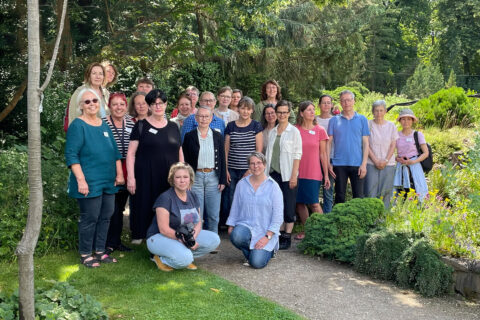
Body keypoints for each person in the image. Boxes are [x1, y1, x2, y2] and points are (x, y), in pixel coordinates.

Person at [65, 88, 123, 268]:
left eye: (95, 101)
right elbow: (72, 155)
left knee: (106, 216)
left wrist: (119, 174)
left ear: (100, 104)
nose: (92, 104)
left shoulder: (103, 124)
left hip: (108, 180)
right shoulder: (77, 125)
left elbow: (114, 152)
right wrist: (81, 180)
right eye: (87, 102)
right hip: (89, 181)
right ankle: (85, 253)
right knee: (90, 217)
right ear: (81, 106)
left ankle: (100, 251)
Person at [126, 89, 184, 244]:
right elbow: (131, 154)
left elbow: (179, 151)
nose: (158, 106)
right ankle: (140, 235)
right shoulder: (140, 126)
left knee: (166, 206)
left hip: (169, 176)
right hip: (145, 175)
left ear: (166, 104)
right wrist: (130, 177)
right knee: (143, 203)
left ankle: (165, 233)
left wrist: (183, 174)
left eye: (161, 103)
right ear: (149, 106)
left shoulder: (173, 127)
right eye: (154, 103)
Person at [146, 162, 220, 271]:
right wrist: (186, 241)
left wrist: (192, 239)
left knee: (214, 239)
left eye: (185, 177)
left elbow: (198, 222)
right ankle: (160, 258)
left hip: (184, 235)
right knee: (184, 259)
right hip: (159, 237)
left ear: (190, 179)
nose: (182, 180)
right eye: (178, 177)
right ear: (172, 179)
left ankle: (184, 255)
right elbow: (164, 229)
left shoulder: (193, 196)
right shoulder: (165, 198)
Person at [227, 152, 283, 269]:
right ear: (249, 166)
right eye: (252, 163)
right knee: (236, 236)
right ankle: (253, 252)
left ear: (264, 165)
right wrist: (231, 225)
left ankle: (268, 251)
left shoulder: (273, 187)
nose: (255, 166)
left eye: (259, 163)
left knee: (256, 263)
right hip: (246, 226)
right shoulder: (242, 184)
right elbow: (235, 206)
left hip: (265, 231)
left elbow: (278, 216)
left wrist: (267, 236)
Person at [183, 106, 227, 233]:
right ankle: (198, 240)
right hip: (196, 178)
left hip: (213, 177)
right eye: (200, 116)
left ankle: (213, 240)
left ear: (211, 118)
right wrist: (188, 180)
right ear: (196, 118)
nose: (203, 119)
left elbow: (222, 158)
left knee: (213, 214)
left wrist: (222, 180)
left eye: (206, 116)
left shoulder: (217, 136)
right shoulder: (189, 136)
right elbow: (185, 161)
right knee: (197, 214)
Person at [265, 100, 302, 250]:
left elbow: (297, 154)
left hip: (287, 175)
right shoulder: (273, 131)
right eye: (278, 112)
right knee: (275, 206)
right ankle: (278, 233)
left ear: (289, 113)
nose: (281, 115)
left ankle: (287, 235)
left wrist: (294, 176)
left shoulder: (294, 132)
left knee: (288, 206)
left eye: (284, 112)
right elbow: (268, 154)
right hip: (272, 175)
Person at [102, 93, 135, 253]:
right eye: (115, 104)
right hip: (109, 169)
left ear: (126, 106)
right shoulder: (102, 123)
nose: (118, 107)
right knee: (110, 208)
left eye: (121, 104)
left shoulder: (131, 122)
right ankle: (106, 243)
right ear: (109, 106)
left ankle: (116, 241)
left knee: (120, 208)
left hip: (127, 169)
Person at [294, 101, 330, 240]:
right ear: (302, 113)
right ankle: (307, 230)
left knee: (314, 203)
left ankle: (323, 230)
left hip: (313, 172)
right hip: (297, 172)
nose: (312, 112)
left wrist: (326, 175)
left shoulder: (320, 130)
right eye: (309, 110)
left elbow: (323, 154)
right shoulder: (295, 129)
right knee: (300, 202)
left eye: (313, 109)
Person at [223, 96, 263, 219]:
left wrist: (251, 169)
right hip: (232, 169)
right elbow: (226, 149)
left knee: (248, 196)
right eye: (242, 108)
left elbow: (259, 150)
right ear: (238, 110)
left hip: (249, 170)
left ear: (252, 111)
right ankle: (232, 223)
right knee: (231, 197)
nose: (245, 111)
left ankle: (246, 222)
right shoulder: (230, 126)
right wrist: (226, 169)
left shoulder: (256, 126)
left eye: (248, 109)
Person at [327, 90, 370, 204]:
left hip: (357, 164)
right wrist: (328, 162)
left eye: (349, 100)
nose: (346, 103)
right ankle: (339, 221)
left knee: (358, 197)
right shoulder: (334, 120)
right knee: (339, 197)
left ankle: (358, 222)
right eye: (343, 100)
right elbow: (329, 143)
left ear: (354, 101)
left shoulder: (362, 119)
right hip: (339, 164)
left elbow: (366, 143)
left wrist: (364, 164)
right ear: (340, 103)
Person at [364, 100, 398, 208]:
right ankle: (371, 218)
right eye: (376, 111)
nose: (379, 113)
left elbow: (393, 145)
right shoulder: (368, 124)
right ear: (373, 112)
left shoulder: (391, 126)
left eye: (381, 110)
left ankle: (383, 219)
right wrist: (375, 160)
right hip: (371, 163)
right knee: (370, 192)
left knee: (386, 192)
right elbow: (366, 144)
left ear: (385, 112)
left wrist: (385, 160)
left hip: (388, 164)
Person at [393, 108, 429, 201]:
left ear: (412, 121)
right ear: (400, 121)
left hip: (414, 166)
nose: (406, 122)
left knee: (416, 190)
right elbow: (392, 152)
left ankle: (417, 210)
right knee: (401, 192)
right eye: (403, 119)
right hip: (400, 167)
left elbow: (426, 153)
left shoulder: (418, 135)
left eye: (409, 119)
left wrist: (413, 161)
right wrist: (398, 159)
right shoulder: (396, 135)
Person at [315, 95, 336, 213]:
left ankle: (328, 215)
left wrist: (329, 161)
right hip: (315, 158)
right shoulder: (314, 119)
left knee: (328, 189)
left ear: (332, 105)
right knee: (315, 189)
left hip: (331, 157)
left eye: (329, 103)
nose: (326, 105)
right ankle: (316, 216)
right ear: (319, 105)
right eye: (324, 103)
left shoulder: (336, 120)